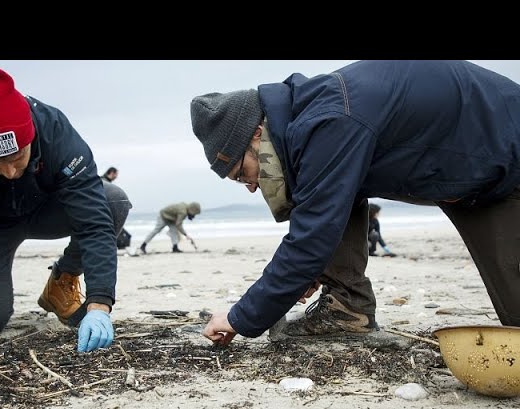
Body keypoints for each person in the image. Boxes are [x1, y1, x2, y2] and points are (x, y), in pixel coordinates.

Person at [189, 60, 520, 347]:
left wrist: (240, 318)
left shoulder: (329, 120)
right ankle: (347, 309)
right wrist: (313, 271)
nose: (249, 187)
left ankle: (348, 309)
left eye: (241, 174)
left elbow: (311, 239)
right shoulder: (312, 118)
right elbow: (327, 202)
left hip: (505, 155)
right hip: (461, 171)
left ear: (257, 136)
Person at [0, 64, 132, 358]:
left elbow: (92, 221)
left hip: (45, 209)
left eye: (18, 158)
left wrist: (99, 305)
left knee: (112, 200)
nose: (8, 172)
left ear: (30, 136)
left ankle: (62, 280)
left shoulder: (54, 130)